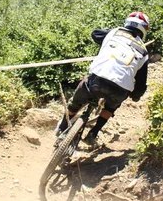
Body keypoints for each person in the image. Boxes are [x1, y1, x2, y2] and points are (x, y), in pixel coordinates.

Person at [56, 11, 150, 145]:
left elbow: (95, 33)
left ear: (127, 22)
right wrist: (136, 96)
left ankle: (62, 127)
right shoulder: (144, 51)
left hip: (97, 80)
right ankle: (93, 134)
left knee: (76, 101)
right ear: (144, 29)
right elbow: (141, 83)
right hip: (120, 89)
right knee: (110, 107)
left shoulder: (114, 32)